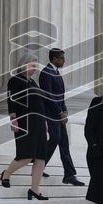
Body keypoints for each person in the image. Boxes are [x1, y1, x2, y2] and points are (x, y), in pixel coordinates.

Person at [0, 53, 48, 200]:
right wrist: (13, 118)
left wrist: (45, 121)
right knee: (26, 155)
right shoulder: (15, 80)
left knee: (41, 158)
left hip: (39, 122)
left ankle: (34, 189)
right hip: (24, 121)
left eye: (36, 66)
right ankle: (6, 173)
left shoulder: (33, 83)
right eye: (32, 65)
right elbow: (11, 100)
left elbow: (40, 103)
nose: (34, 69)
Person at [39, 49, 84, 186]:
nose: (64, 61)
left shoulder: (56, 72)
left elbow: (60, 96)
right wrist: (60, 112)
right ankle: (39, 166)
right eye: (62, 58)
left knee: (64, 143)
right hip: (50, 113)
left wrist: (64, 110)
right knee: (55, 138)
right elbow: (48, 95)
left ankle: (69, 175)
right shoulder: (46, 72)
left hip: (58, 114)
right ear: (54, 59)